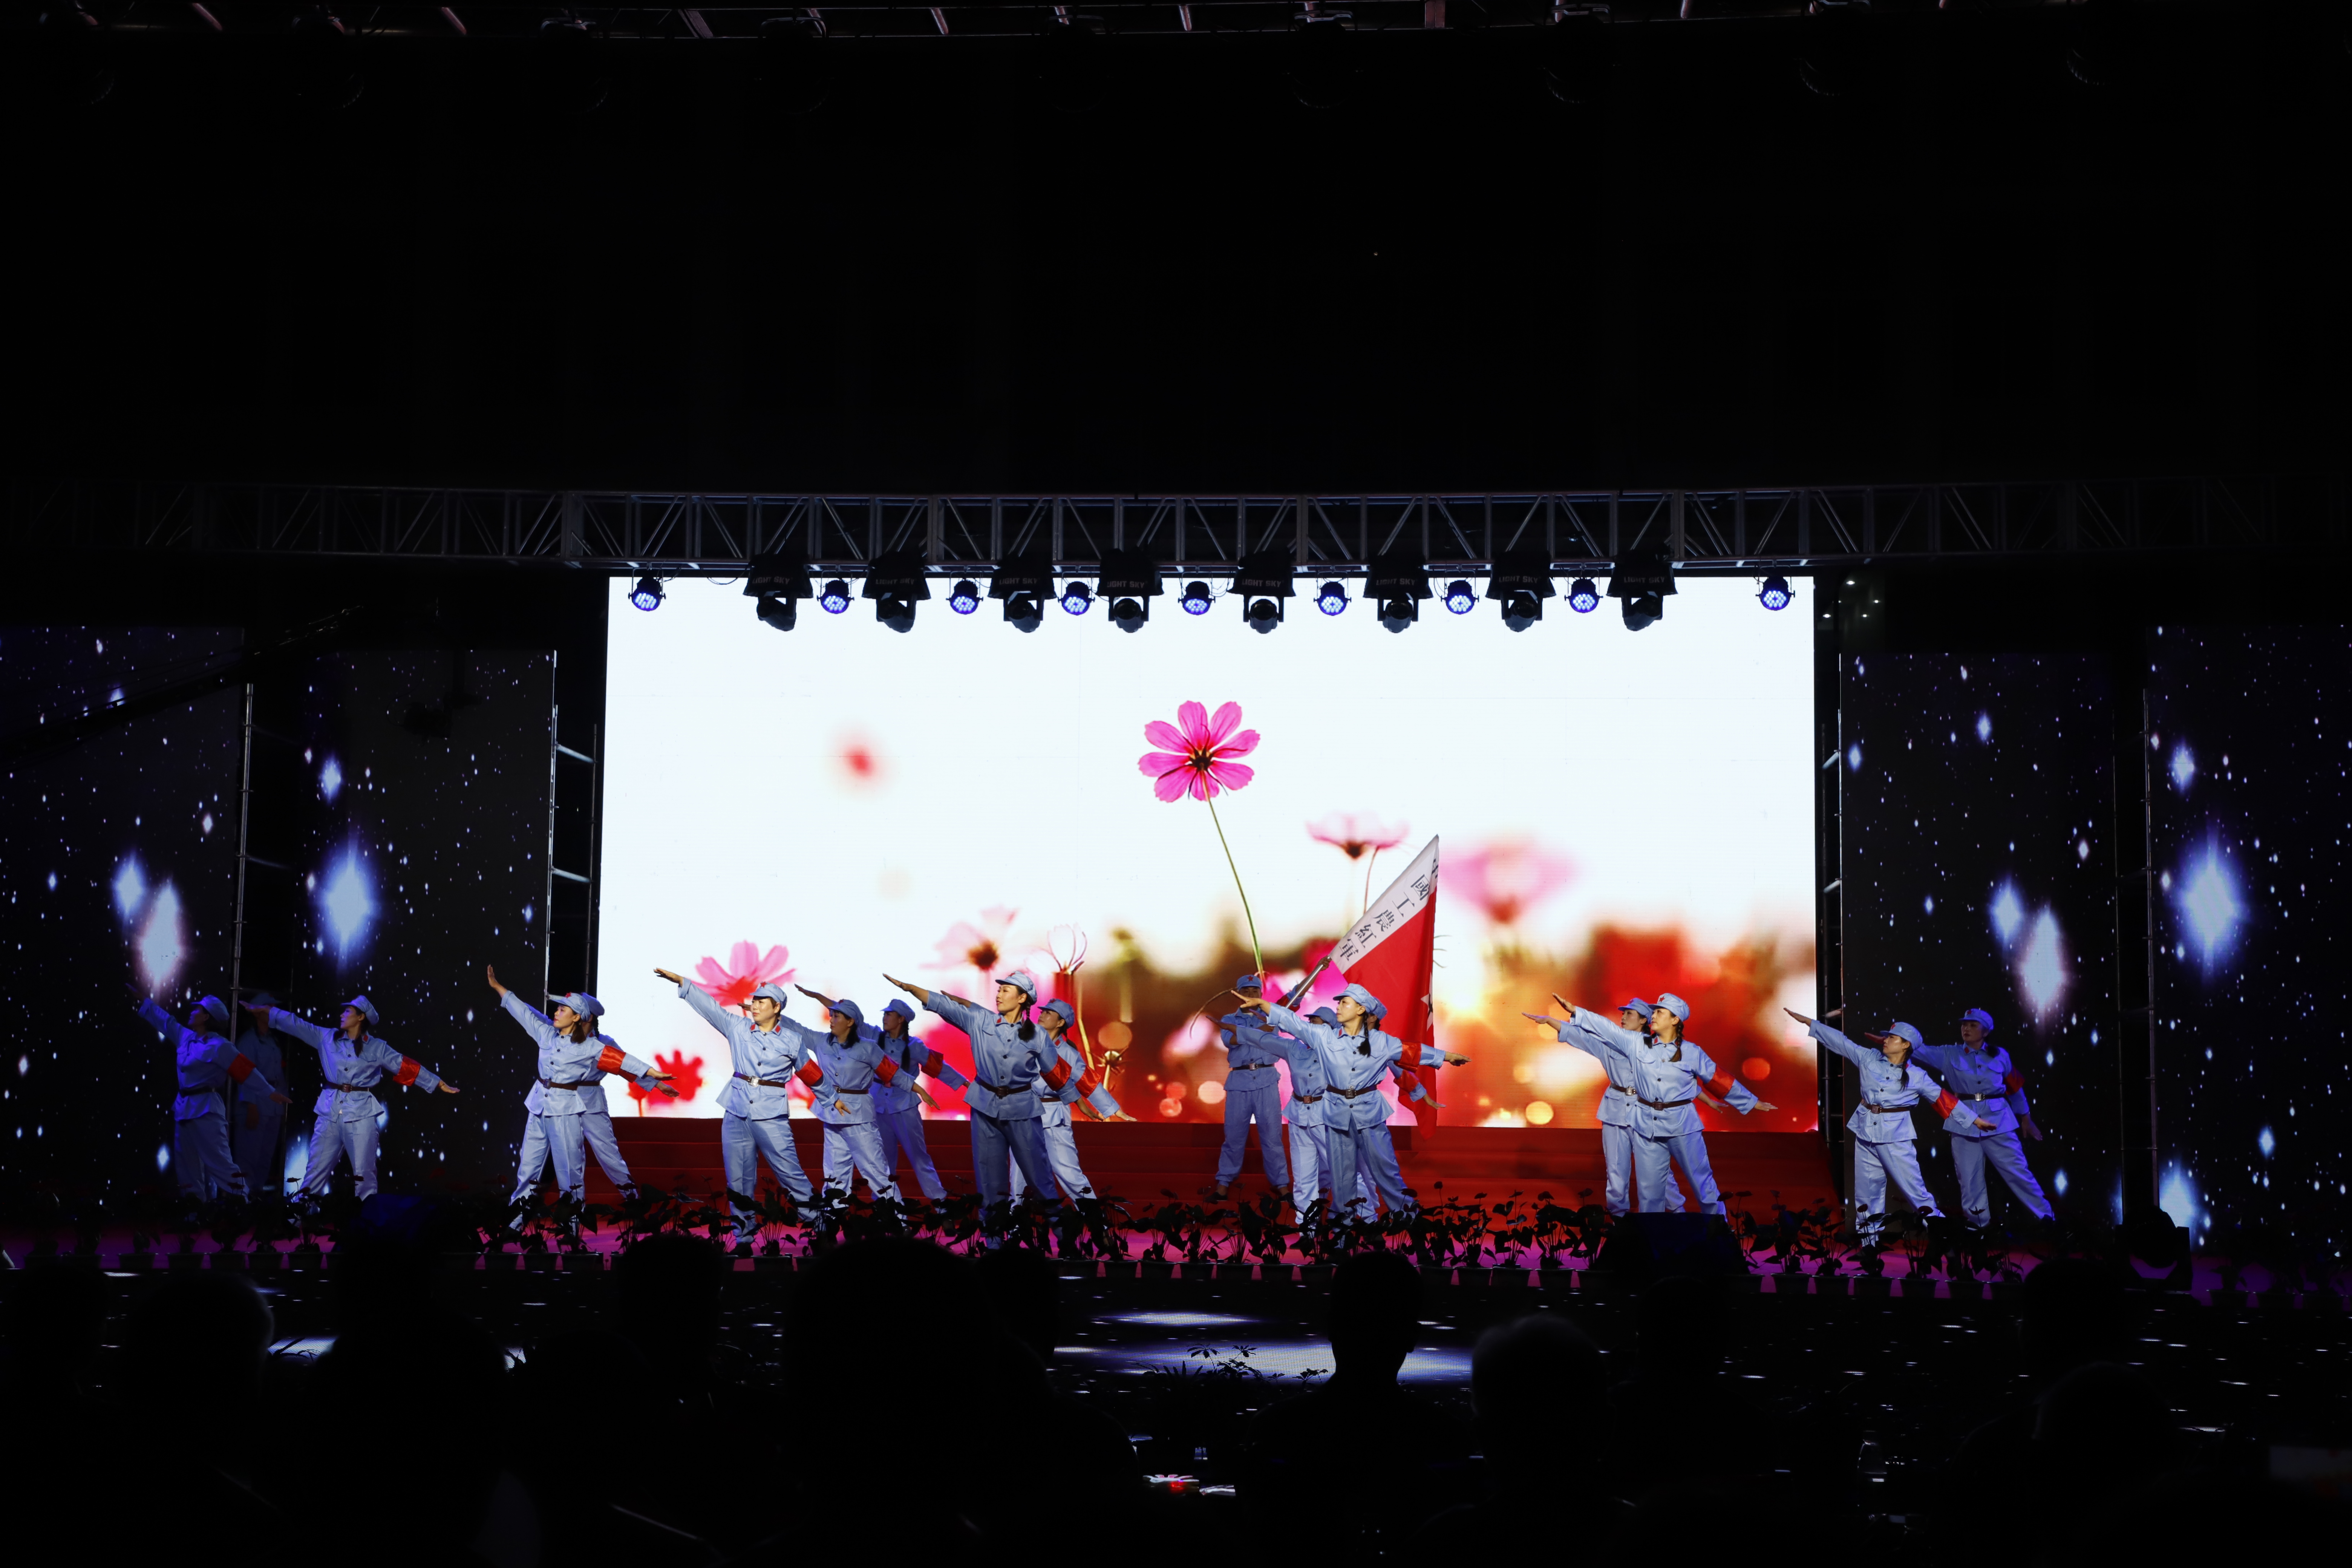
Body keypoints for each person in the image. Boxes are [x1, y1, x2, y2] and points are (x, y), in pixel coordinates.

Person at [1526, 994, 1770, 1216]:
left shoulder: (1686, 1051)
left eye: (1659, 1013)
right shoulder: (1633, 1043)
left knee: (1693, 1180)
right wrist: (1573, 1013)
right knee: (1642, 1186)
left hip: (1674, 1122)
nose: (1653, 1016)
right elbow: (1602, 1030)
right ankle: (1641, 1231)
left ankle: (1709, 1224)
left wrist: (1748, 1102)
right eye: (1654, 1012)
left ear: (1673, 1020)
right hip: (1637, 1120)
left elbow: (1706, 1078)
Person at [1242, 982, 1464, 1220]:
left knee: (1386, 1173)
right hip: (1337, 1115)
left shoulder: (1381, 1041)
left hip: (1370, 1115)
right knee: (1342, 1179)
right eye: (1339, 1003)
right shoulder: (1324, 1037)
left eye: (1344, 1003)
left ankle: (1408, 1221)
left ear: (1361, 1010)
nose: (1338, 1007)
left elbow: (1412, 1051)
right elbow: (1293, 1023)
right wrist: (1264, 1004)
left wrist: (1447, 1056)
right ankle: (1343, 1230)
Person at [486, 965, 674, 1231]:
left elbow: (623, 1064)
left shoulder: (598, 1044)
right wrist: (499, 988)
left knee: (603, 1157)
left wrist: (654, 1079)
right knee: (530, 1166)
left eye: (564, 1009)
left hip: (584, 1102)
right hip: (547, 1102)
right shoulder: (549, 1033)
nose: (557, 1012)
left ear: (583, 1017)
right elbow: (526, 1013)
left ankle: (629, 1203)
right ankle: (516, 1222)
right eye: (559, 1008)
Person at [656, 967, 822, 1250]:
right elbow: (712, 1009)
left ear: (777, 1008)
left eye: (761, 1001)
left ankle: (820, 1226)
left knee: (790, 1173)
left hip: (771, 1114)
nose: (754, 1005)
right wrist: (686, 984)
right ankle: (744, 1237)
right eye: (754, 1000)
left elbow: (810, 1073)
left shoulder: (792, 1040)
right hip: (737, 1109)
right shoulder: (738, 1027)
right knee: (739, 1177)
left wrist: (832, 1098)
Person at [883, 967, 1056, 1228]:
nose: (998, 994)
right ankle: (992, 1237)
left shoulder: (1038, 1036)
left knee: (1038, 1174)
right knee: (988, 1177)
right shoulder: (981, 1020)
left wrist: (1079, 1101)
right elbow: (944, 1006)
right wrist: (911, 988)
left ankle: (1063, 1233)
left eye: (1005, 990)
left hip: (1022, 1108)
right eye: (999, 989)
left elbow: (1055, 1073)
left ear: (1022, 998)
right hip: (985, 1105)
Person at [254, 994, 458, 1203]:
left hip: (361, 1115)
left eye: (348, 1011)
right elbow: (297, 1025)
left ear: (361, 1017)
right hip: (329, 1112)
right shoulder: (327, 1037)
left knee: (364, 1176)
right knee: (314, 1172)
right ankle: (299, 1216)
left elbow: (403, 1065)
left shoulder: (377, 1047)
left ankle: (366, 1219)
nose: (342, 1015)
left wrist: (437, 1083)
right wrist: (269, 1012)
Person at [1785, 1009, 1958, 1250]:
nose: (1885, 1040)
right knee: (1867, 1193)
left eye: (1892, 1037)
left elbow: (1942, 1099)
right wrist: (1811, 1024)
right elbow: (1842, 1043)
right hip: (1866, 1131)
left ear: (1906, 1045)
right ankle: (1869, 1247)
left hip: (1895, 1138)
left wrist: (1974, 1121)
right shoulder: (1869, 1058)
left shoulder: (1917, 1076)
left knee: (1915, 1192)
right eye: (1886, 1036)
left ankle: (1947, 1239)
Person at [133, 988, 290, 1203]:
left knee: (220, 1162)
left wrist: (270, 1093)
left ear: (206, 1017)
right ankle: (194, 1211)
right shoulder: (186, 1037)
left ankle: (242, 1203)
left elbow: (246, 1071)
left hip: (206, 1109)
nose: (192, 1012)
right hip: (184, 1108)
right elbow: (166, 1022)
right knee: (186, 1165)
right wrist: (146, 1002)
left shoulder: (220, 1046)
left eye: (197, 1010)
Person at [1910, 1006, 2056, 1231]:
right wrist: (1898, 1038)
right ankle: (1977, 1228)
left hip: (1999, 1121)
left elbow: (2015, 1087)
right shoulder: (1949, 1054)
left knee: (2019, 1172)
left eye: (1973, 1025)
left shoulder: (2000, 1055)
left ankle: (2048, 1219)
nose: (1966, 1028)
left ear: (1986, 1032)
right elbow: (1919, 1051)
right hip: (1964, 1121)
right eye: (1964, 1025)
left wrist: (2026, 1118)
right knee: (1969, 1178)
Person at [1538, 996, 1686, 1216]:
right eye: (1623, 1013)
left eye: (1629, 1014)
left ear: (1644, 1020)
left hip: (1646, 1113)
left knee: (1657, 1169)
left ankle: (1678, 1212)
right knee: (1616, 1170)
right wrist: (1551, 1021)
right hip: (1615, 1112)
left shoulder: (1657, 1046)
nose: (1623, 1018)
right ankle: (1619, 1219)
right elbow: (1581, 1037)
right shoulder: (1610, 1044)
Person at [791, 986, 906, 1207]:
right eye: (832, 1015)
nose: (831, 1019)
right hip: (832, 1114)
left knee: (875, 1171)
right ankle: (832, 1219)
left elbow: (893, 1073)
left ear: (851, 1021)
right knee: (835, 1174)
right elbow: (797, 1029)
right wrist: (773, 1016)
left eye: (837, 1016)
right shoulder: (822, 1042)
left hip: (858, 1115)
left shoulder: (868, 1047)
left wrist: (918, 1089)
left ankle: (898, 1219)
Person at [1011, 997, 1126, 1203]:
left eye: (1049, 1013)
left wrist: (1113, 1108)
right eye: (1043, 1011)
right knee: (1018, 1174)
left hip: (1054, 1116)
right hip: (1024, 1112)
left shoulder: (1068, 1053)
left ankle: (1094, 1219)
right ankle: (1014, 1220)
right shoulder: (1024, 1042)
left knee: (1069, 1173)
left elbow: (1087, 1080)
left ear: (1061, 1022)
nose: (1042, 1014)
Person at [868, 998, 968, 1202]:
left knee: (919, 1156)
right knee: (882, 1158)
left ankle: (939, 1202)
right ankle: (884, 1204)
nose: (885, 1018)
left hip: (905, 1106)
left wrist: (964, 1083)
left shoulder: (914, 1046)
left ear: (901, 1019)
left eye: (889, 1014)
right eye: (885, 1014)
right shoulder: (875, 1037)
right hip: (879, 1106)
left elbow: (937, 1067)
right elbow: (855, 1022)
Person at [1211, 974, 1291, 1200]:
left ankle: (1281, 1185)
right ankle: (1224, 1183)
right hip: (1239, 1082)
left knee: (1272, 1137)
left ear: (1261, 994)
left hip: (1267, 1080)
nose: (1250, 995)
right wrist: (1259, 1033)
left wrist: (1245, 1034)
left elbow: (1269, 1036)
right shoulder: (1229, 1019)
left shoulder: (1272, 1017)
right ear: (1238, 994)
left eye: (1255, 991)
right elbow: (1230, 1041)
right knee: (1234, 1136)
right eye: (1246, 991)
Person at [229, 991, 288, 1198]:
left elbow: (279, 1074)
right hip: (255, 1104)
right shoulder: (248, 1041)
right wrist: (251, 1105)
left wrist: (282, 1105)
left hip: (273, 1105)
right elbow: (244, 1075)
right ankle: (242, 1198)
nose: (274, 1012)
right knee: (248, 1155)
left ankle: (256, 1196)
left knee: (265, 1155)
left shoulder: (273, 1040)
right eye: (270, 1008)